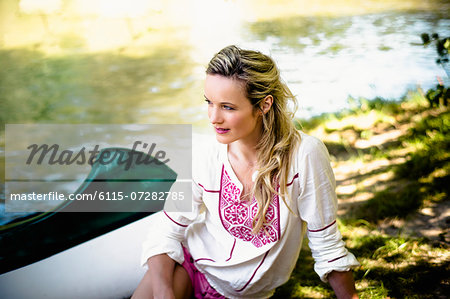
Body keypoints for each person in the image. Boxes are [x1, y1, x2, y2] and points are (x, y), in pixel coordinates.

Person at [132, 45, 360, 299]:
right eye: (209, 102)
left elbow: (326, 244)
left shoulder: (304, 155)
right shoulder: (204, 156)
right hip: (188, 267)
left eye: (228, 107)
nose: (213, 117)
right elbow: (166, 230)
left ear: (264, 104)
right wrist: (165, 294)